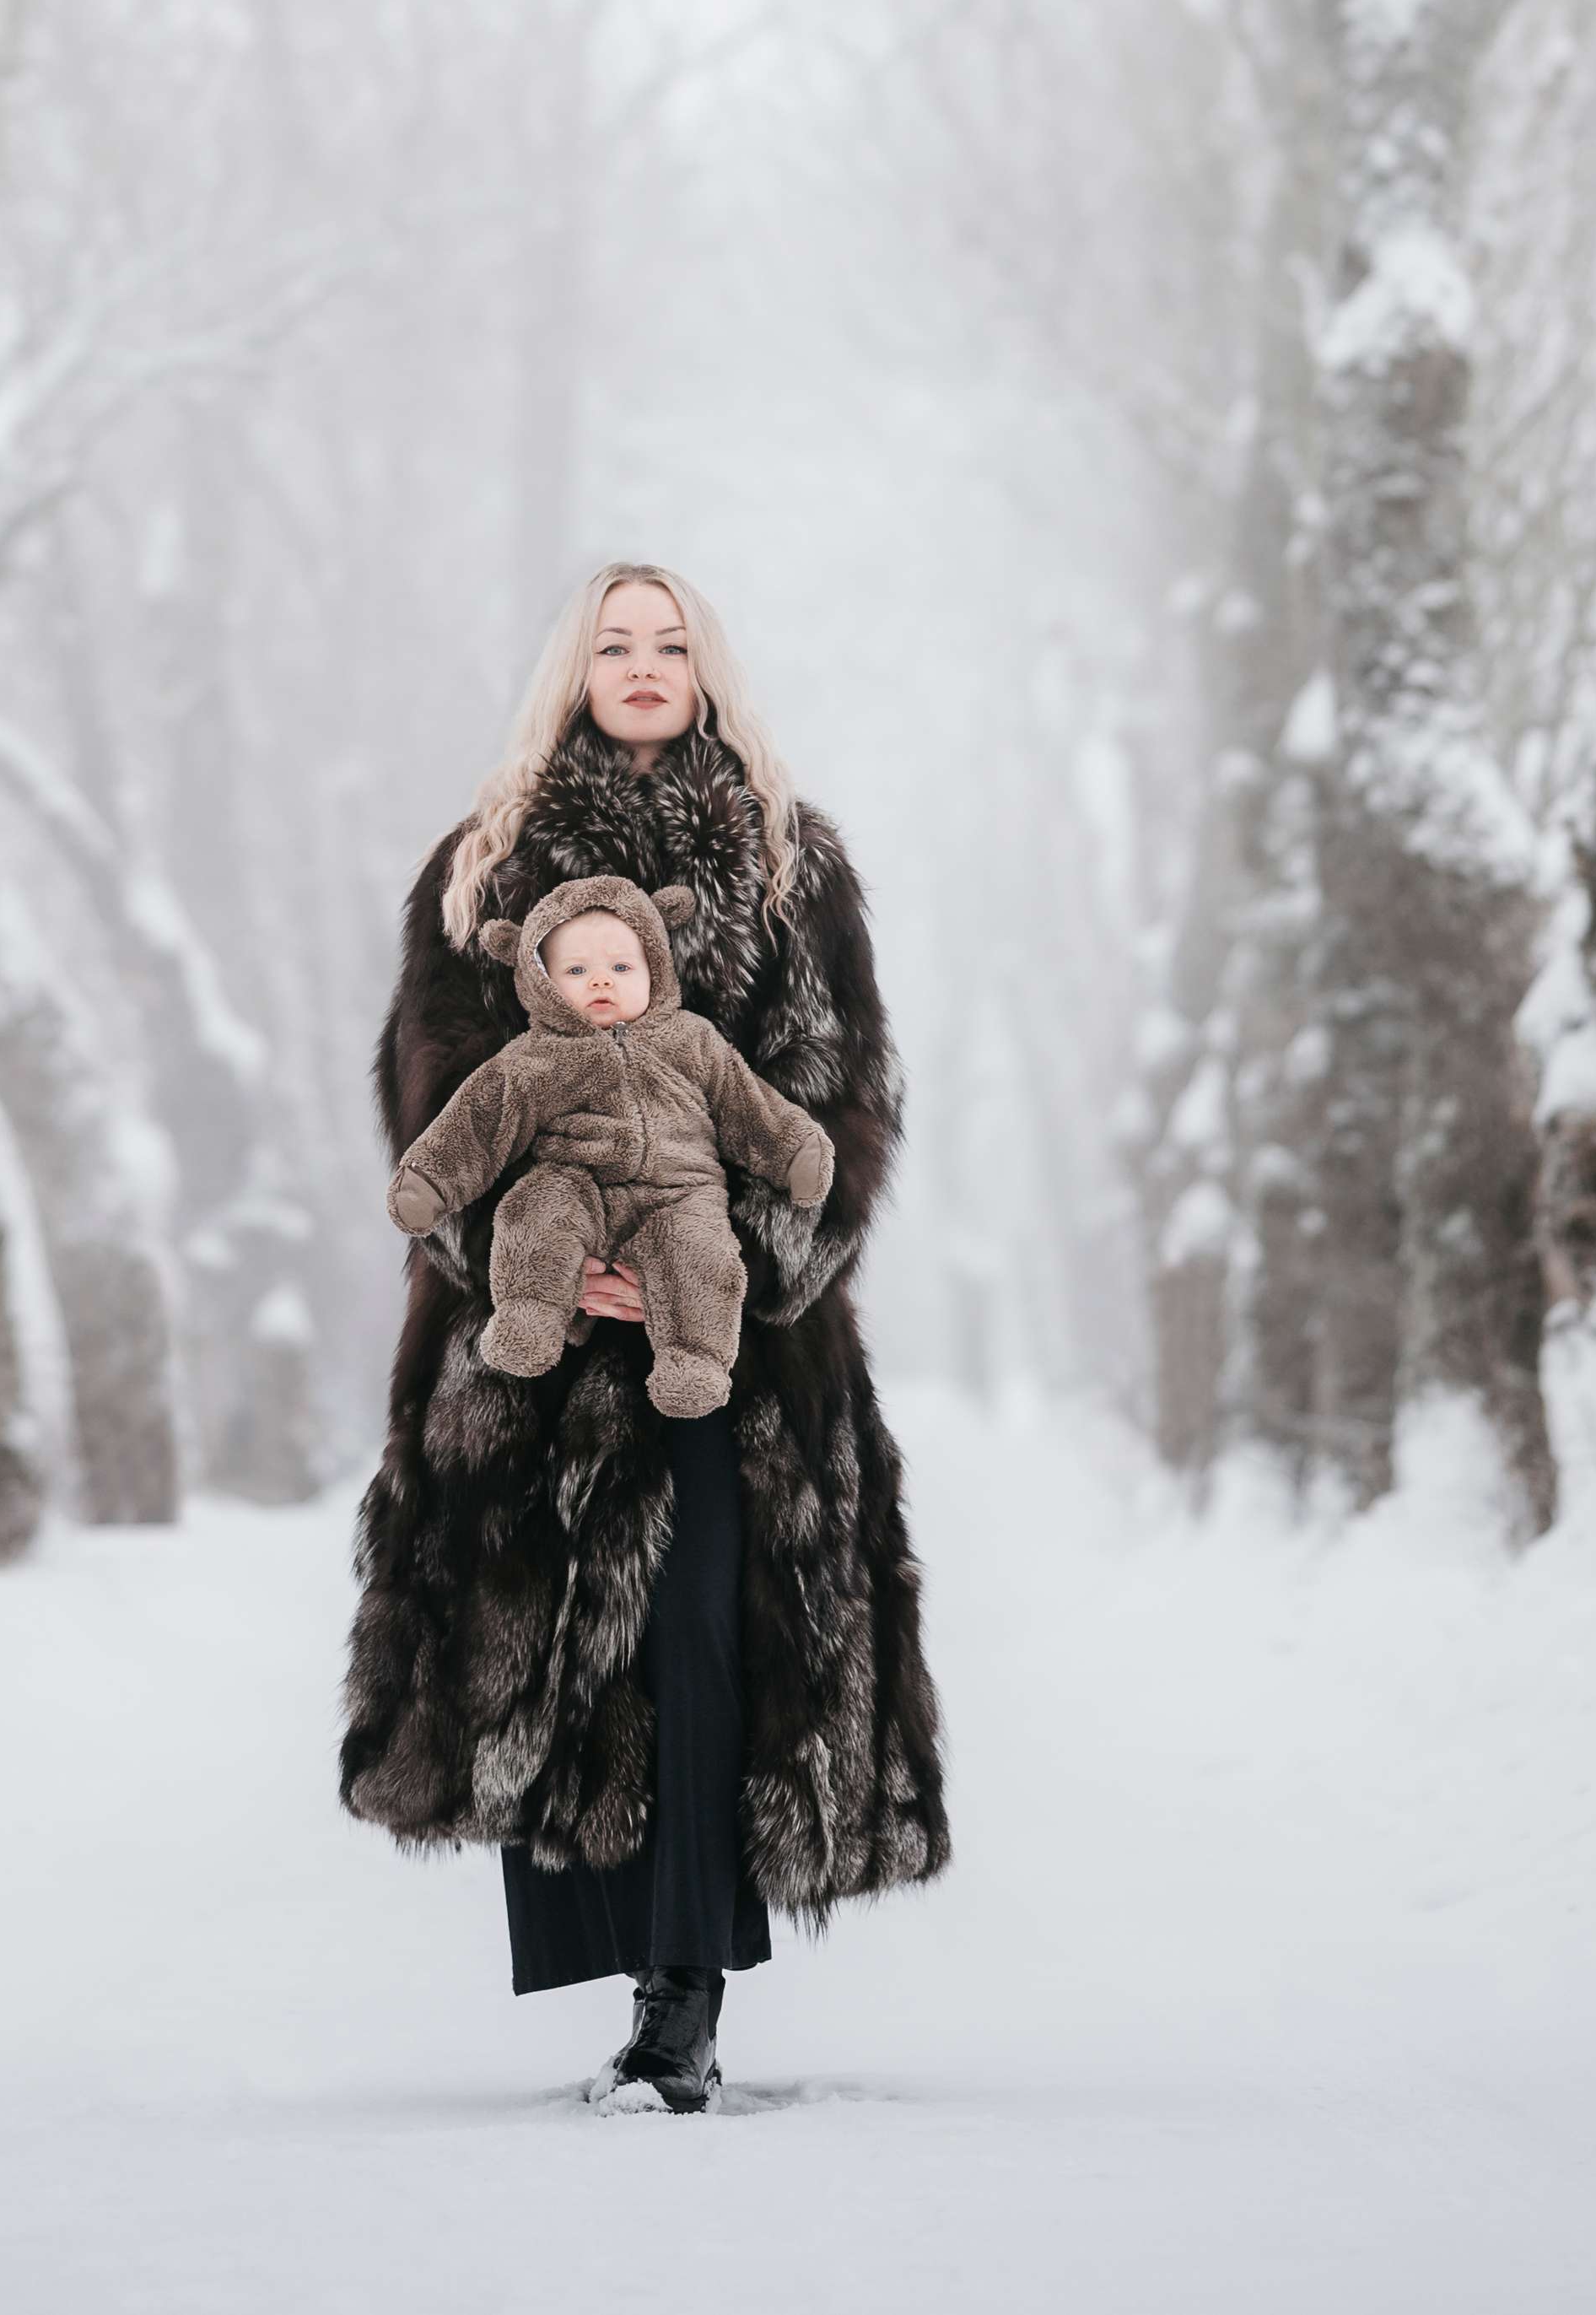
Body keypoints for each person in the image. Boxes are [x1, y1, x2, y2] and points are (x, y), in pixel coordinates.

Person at [341, 562, 947, 2117]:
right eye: (614, 643)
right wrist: (529, 1261)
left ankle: (685, 1996)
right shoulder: (479, 866)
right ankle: (629, 1966)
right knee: (558, 1655)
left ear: (707, 667)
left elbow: (842, 1096)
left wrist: (738, 1264)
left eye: (670, 643)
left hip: (735, 1337)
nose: (643, 664)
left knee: (701, 1635)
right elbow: (434, 1097)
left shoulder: (789, 862)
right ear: (574, 668)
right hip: (530, 1347)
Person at [385, 874, 835, 1416]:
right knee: (534, 1213)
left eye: (621, 968)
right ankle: (530, 1314)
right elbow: (478, 1122)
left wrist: (794, 1151)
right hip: (576, 1184)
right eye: (576, 971)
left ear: (656, 968)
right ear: (539, 979)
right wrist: (432, 1178)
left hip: (680, 1192)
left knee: (702, 1253)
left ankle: (693, 1360)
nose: (601, 981)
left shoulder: (692, 1040)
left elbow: (749, 1107)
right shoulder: (537, 1056)